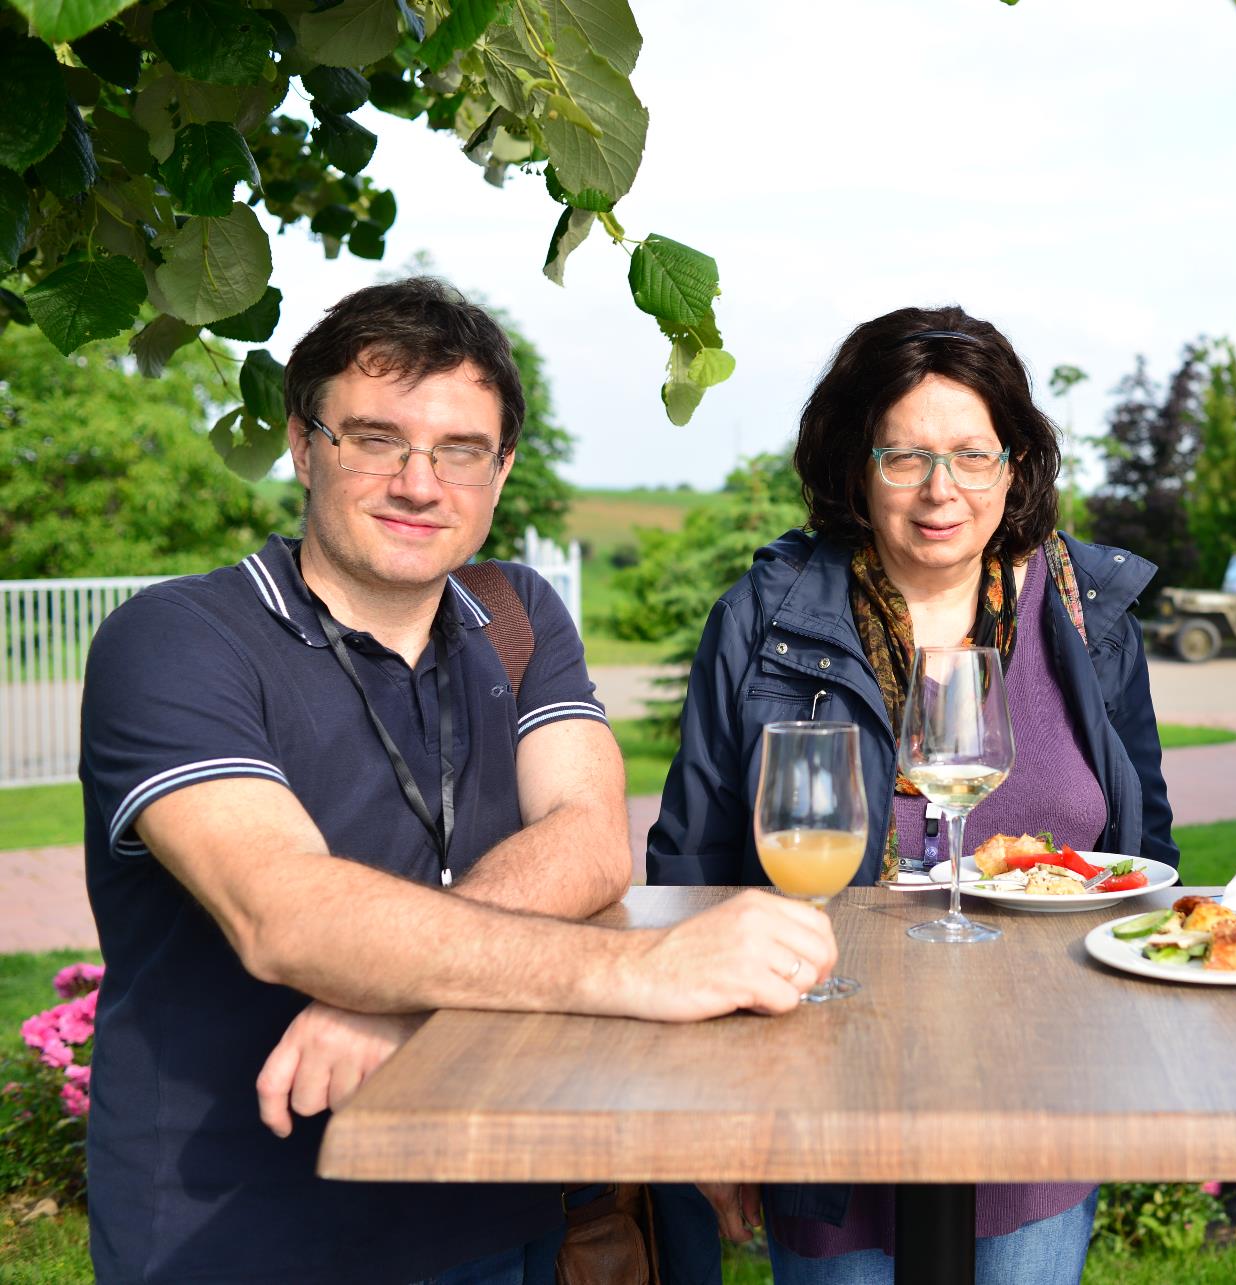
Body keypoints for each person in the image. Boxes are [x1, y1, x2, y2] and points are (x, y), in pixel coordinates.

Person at [78, 278, 839, 1285]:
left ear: (501, 469)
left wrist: (393, 992)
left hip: (495, 1203)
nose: (418, 482)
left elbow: (587, 837)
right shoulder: (178, 638)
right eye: (375, 438)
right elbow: (286, 916)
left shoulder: (513, 611)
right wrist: (642, 973)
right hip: (243, 1225)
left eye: (459, 450)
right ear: (305, 447)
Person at [646, 304, 1177, 1283]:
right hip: (819, 1083)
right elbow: (687, 873)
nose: (941, 490)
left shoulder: (1083, 615)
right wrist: (708, 1107)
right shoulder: (762, 619)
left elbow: (1146, 852)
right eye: (906, 457)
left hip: (1044, 1088)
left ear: (1013, 464)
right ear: (856, 464)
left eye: (971, 455)